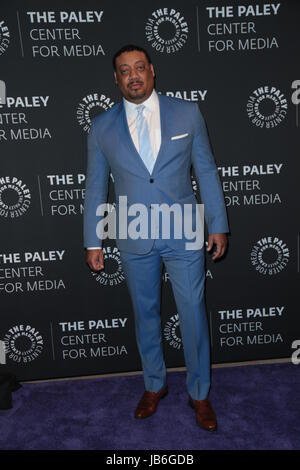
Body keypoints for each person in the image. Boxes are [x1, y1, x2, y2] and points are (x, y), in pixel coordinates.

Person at [84, 44, 229, 432]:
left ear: (153, 70)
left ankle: (199, 393)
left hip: (183, 230)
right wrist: (93, 240)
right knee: (145, 315)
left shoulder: (187, 112)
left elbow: (207, 171)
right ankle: (154, 384)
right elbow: (96, 186)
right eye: (124, 70)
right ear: (116, 79)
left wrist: (218, 224)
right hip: (133, 232)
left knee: (193, 314)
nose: (133, 75)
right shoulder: (101, 127)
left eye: (139, 68)